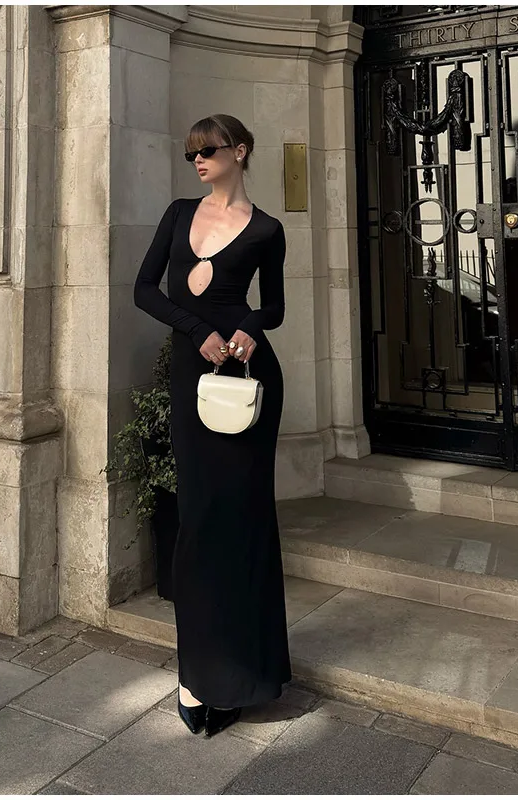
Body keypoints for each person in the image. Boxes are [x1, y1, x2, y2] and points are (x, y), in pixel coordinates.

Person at [133, 114, 292, 738]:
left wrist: (248, 330)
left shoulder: (267, 229)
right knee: (198, 521)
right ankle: (197, 672)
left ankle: (246, 675)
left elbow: (273, 307)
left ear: (239, 152)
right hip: (192, 378)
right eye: (191, 153)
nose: (198, 160)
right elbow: (145, 290)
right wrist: (199, 331)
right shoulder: (178, 215)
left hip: (247, 382)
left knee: (244, 520)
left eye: (208, 150)